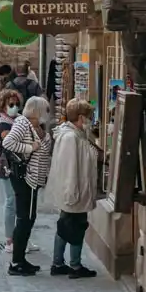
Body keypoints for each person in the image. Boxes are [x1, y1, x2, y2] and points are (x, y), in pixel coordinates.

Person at [44, 98, 100, 277]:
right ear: (81, 117)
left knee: (67, 225)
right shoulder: (70, 137)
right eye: (88, 116)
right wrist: (71, 192)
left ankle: (59, 263)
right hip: (75, 191)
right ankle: (72, 265)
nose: (90, 119)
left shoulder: (77, 133)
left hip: (77, 190)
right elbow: (70, 167)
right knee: (73, 226)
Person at [1, 93, 54, 276]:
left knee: (28, 219)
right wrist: (30, 148)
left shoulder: (37, 126)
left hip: (34, 180)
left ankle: (20, 259)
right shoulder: (23, 123)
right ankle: (16, 262)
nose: (48, 113)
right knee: (24, 219)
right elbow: (7, 143)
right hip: (25, 179)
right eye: (45, 109)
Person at [0, 85, 23, 251]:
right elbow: (8, 141)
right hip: (8, 166)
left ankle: (20, 235)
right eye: (11, 104)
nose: (14, 107)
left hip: (18, 166)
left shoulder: (17, 119)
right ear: (3, 105)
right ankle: (10, 239)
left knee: (18, 201)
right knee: (11, 201)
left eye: (16, 104)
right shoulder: (4, 123)